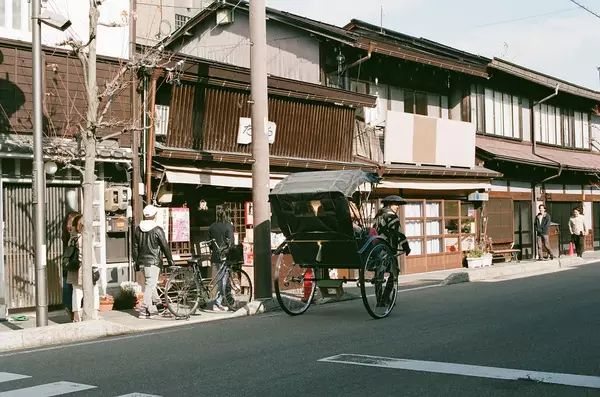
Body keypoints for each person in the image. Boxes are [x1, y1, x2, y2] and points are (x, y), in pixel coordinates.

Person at [133, 204, 174, 319]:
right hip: (153, 261)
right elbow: (165, 246)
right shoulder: (157, 229)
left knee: (151, 283)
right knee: (151, 284)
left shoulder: (138, 229)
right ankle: (144, 309)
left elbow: (135, 247)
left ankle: (159, 305)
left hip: (141, 262)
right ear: (154, 215)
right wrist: (170, 260)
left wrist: (136, 262)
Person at [372, 195, 410, 307]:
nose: (397, 207)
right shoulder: (392, 217)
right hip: (388, 248)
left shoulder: (378, 215)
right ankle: (385, 298)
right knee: (394, 272)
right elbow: (399, 233)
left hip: (377, 247)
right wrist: (406, 247)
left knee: (379, 273)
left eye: (398, 205)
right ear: (389, 205)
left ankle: (379, 299)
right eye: (395, 204)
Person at [66, 215, 100, 321]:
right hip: (86, 267)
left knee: (76, 291)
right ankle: (94, 313)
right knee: (94, 290)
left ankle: (77, 315)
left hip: (73, 267)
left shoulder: (72, 237)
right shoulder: (85, 238)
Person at [208, 208, 235, 312]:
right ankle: (217, 303)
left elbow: (210, 243)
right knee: (223, 280)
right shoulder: (228, 226)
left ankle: (226, 300)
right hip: (225, 256)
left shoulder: (212, 226)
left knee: (219, 279)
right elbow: (231, 242)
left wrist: (215, 249)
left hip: (215, 256)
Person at [62, 211, 80, 321]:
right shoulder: (72, 235)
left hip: (69, 263)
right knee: (73, 290)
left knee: (71, 289)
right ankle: (74, 312)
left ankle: (72, 312)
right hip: (73, 264)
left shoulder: (68, 233)